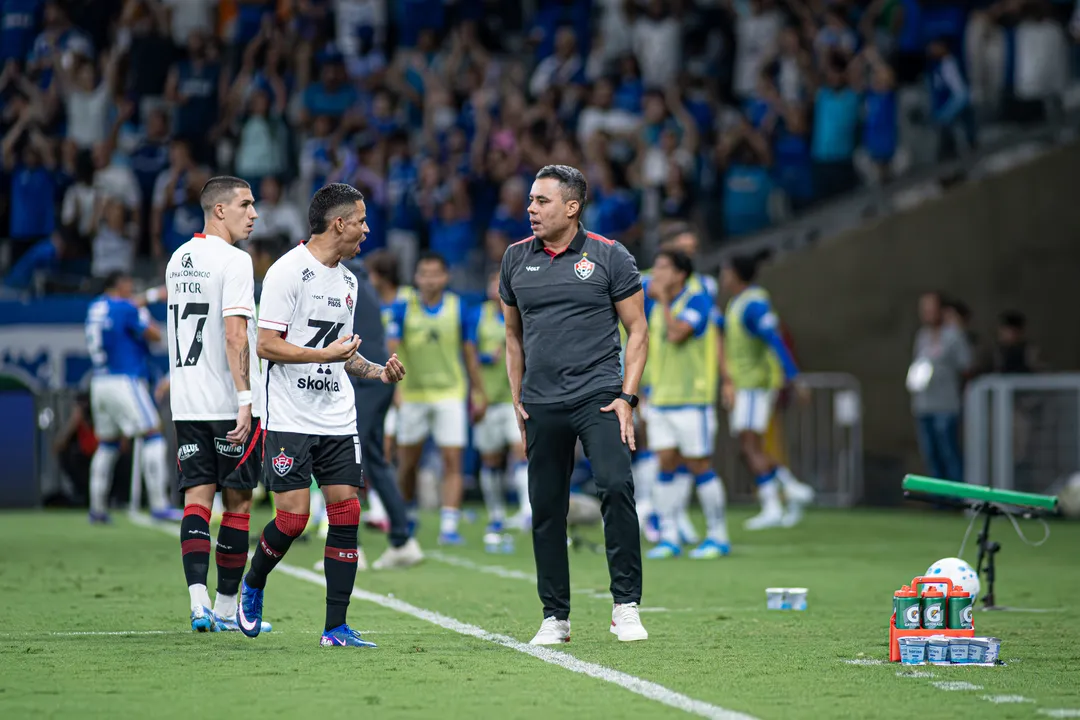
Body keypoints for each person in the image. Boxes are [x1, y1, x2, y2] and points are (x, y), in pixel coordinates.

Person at [238, 183, 406, 648]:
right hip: (290, 415)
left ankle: (335, 628)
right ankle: (253, 585)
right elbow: (266, 344)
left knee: (346, 513)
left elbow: (344, 355)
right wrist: (321, 354)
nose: (367, 230)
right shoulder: (286, 273)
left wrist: (376, 371)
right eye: (362, 220)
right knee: (293, 519)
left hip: (336, 414)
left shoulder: (350, 282)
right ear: (339, 224)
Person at [500, 164, 649, 645]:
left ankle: (625, 606)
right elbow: (512, 336)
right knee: (545, 508)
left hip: (600, 398)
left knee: (615, 486)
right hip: (541, 403)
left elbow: (639, 331)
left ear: (572, 206)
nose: (531, 209)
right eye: (530, 201)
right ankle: (555, 617)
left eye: (541, 201)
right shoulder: (515, 258)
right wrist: (516, 401)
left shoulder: (611, 256)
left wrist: (627, 396)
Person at [166, 175, 271, 634]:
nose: (254, 214)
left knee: (196, 499)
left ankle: (197, 602)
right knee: (239, 503)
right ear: (219, 210)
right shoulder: (234, 261)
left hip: (187, 401)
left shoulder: (177, 259)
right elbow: (234, 335)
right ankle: (227, 610)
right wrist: (246, 400)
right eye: (246, 205)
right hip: (228, 403)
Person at [385, 251, 484, 545]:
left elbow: (469, 352)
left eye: (434, 273)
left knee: (453, 459)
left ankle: (449, 527)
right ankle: (405, 516)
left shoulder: (458, 307)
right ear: (416, 277)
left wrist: (478, 390)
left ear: (445, 277)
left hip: (449, 393)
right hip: (413, 394)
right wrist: (396, 389)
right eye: (423, 273)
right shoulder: (404, 308)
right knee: (407, 464)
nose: (429, 279)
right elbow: (392, 350)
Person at [642, 249, 730, 560]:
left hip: (694, 399)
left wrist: (663, 299)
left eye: (663, 267)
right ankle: (668, 536)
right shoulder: (653, 307)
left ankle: (718, 535)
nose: (656, 272)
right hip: (663, 398)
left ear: (680, 274)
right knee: (665, 462)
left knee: (699, 465)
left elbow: (678, 334)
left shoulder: (697, 300)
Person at [718, 254, 814, 530]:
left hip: (755, 385)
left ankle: (781, 498)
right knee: (750, 446)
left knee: (750, 445)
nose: (723, 277)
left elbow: (775, 339)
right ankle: (787, 492)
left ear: (736, 274)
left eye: (726, 271)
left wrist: (795, 378)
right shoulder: (737, 303)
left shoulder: (754, 305)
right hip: (745, 384)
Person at [347, 258, 424, 571]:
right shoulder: (361, 277)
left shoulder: (341, 276)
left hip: (364, 376)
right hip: (378, 376)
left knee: (348, 457)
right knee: (375, 458)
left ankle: (349, 548)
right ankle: (403, 540)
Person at [84, 271, 176, 524]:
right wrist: (147, 312)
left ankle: (97, 509)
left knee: (108, 444)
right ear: (120, 284)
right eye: (129, 284)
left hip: (100, 381)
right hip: (124, 380)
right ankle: (159, 504)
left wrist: (149, 297)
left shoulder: (96, 307)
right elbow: (155, 335)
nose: (131, 288)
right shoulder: (126, 308)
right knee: (153, 433)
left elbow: (127, 305)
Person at [471, 269, 531, 541]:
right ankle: (496, 514)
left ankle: (527, 510)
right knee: (491, 459)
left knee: (521, 452)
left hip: (514, 398)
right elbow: (467, 355)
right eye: (494, 284)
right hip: (487, 398)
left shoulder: (523, 313)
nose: (498, 289)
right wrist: (478, 393)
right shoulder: (477, 316)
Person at [908, 291, 971, 483]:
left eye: (931, 308)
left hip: (946, 405)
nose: (926, 313)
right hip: (923, 405)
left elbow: (966, 366)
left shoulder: (953, 336)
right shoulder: (922, 336)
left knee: (949, 453)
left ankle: (958, 501)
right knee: (931, 455)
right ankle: (939, 504)